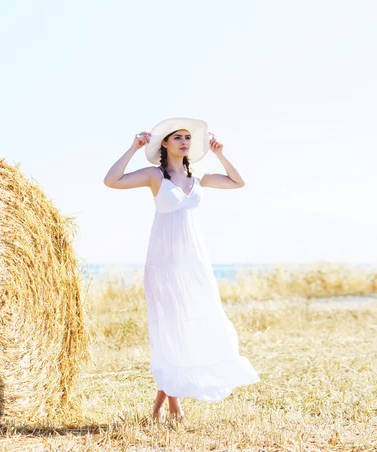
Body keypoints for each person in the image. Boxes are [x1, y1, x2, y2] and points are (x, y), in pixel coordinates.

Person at [103, 117, 260, 425]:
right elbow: (111, 180)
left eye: (188, 137)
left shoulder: (197, 175)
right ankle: (172, 405)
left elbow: (237, 182)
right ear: (164, 143)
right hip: (164, 264)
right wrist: (134, 148)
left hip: (195, 262)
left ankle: (161, 406)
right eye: (178, 137)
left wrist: (220, 154)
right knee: (168, 330)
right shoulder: (154, 175)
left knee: (194, 324)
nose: (185, 141)